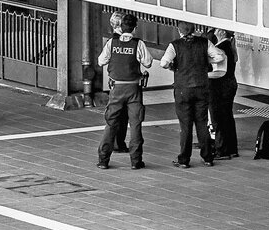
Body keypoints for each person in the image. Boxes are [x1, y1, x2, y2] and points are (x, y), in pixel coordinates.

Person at [160, 21, 226, 168]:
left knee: (185, 125)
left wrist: (173, 66)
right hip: (202, 87)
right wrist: (207, 60)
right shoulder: (205, 42)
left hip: (183, 89)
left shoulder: (175, 45)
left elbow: (163, 63)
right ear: (195, 30)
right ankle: (208, 157)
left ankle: (184, 159)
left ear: (179, 31)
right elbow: (220, 57)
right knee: (202, 123)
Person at [96, 14, 152, 170]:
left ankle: (103, 160)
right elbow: (148, 62)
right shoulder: (138, 44)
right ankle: (135, 161)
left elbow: (101, 61)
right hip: (134, 89)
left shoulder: (111, 43)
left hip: (116, 89)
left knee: (111, 124)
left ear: (120, 27)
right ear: (135, 28)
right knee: (135, 125)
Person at [208, 28, 239, 159]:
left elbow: (216, 69)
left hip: (220, 86)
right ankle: (232, 148)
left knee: (218, 117)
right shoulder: (229, 46)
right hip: (230, 84)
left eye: (216, 30)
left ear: (222, 32)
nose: (214, 33)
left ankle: (222, 149)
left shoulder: (221, 48)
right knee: (227, 116)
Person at [108, 11, 129, 153]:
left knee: (115, 112)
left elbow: (102, 60)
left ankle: (115, 142)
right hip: (127, 82)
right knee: (123, 115)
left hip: (114, 80)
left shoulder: (111, 41)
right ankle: (118, 142)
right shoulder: (127, 41)